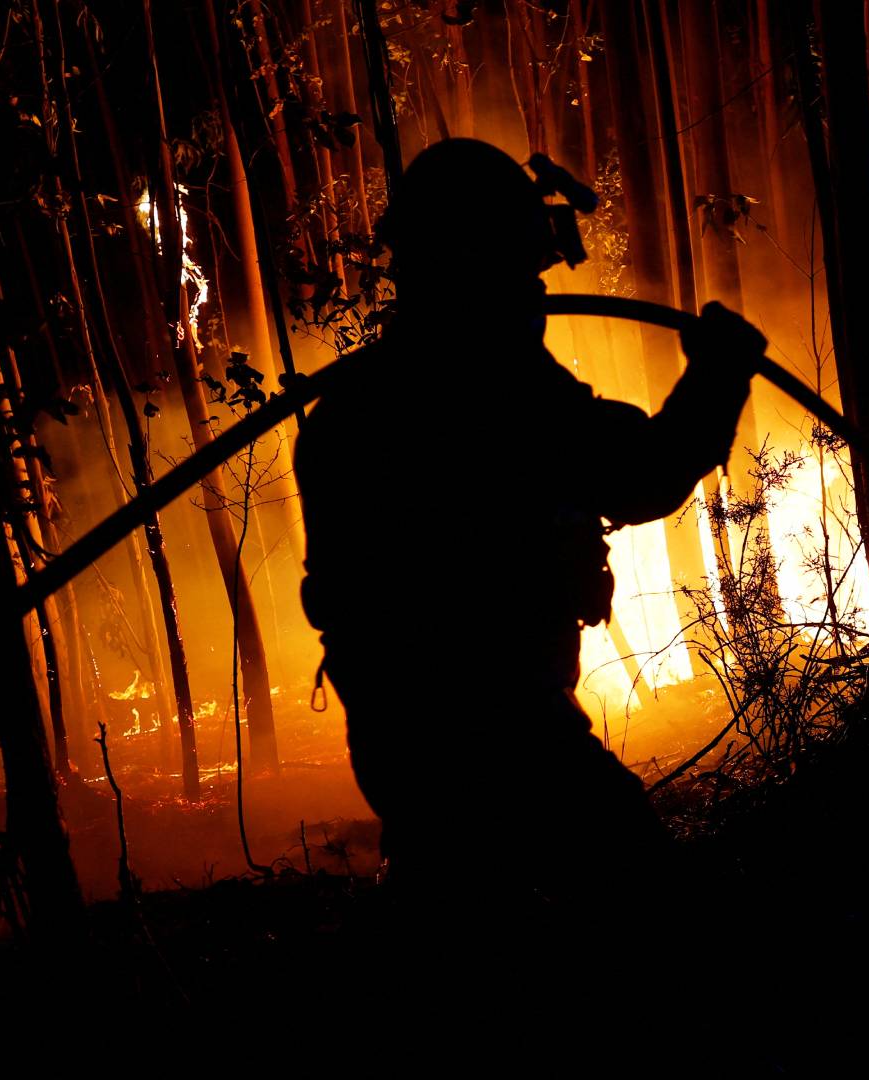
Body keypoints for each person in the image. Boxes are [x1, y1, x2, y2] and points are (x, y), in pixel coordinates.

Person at [294, 138, 764, 903]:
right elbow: (643, 475)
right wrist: (718, 373)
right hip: (502, 736)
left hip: (400, 740)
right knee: (643, 904)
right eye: (521, 268)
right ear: (482, 266)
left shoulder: (351, 410)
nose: (534, 293)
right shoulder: (493, 399)